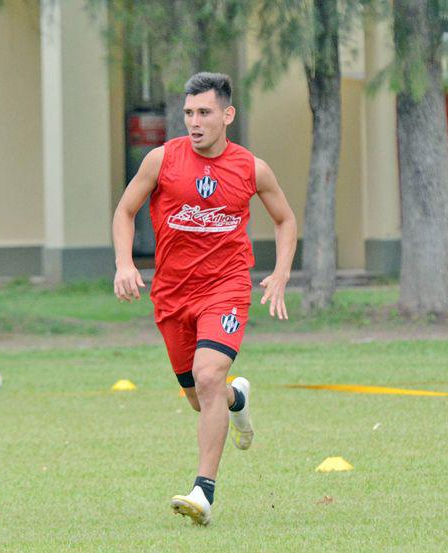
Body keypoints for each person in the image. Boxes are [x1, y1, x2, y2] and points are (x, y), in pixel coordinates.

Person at [112, 72, 297, 525]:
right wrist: (124, 263)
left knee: (208, 374)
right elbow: (125, 210)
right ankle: (238, 400)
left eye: (205, 113)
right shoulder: (161, 160)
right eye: (189, 113)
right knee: (201, 396)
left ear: (227, 115)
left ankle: (203, 491)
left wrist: (280, 274)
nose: (195, 122)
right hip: (173, 295)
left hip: (226, 289)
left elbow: (285, 219)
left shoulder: (252, 168)